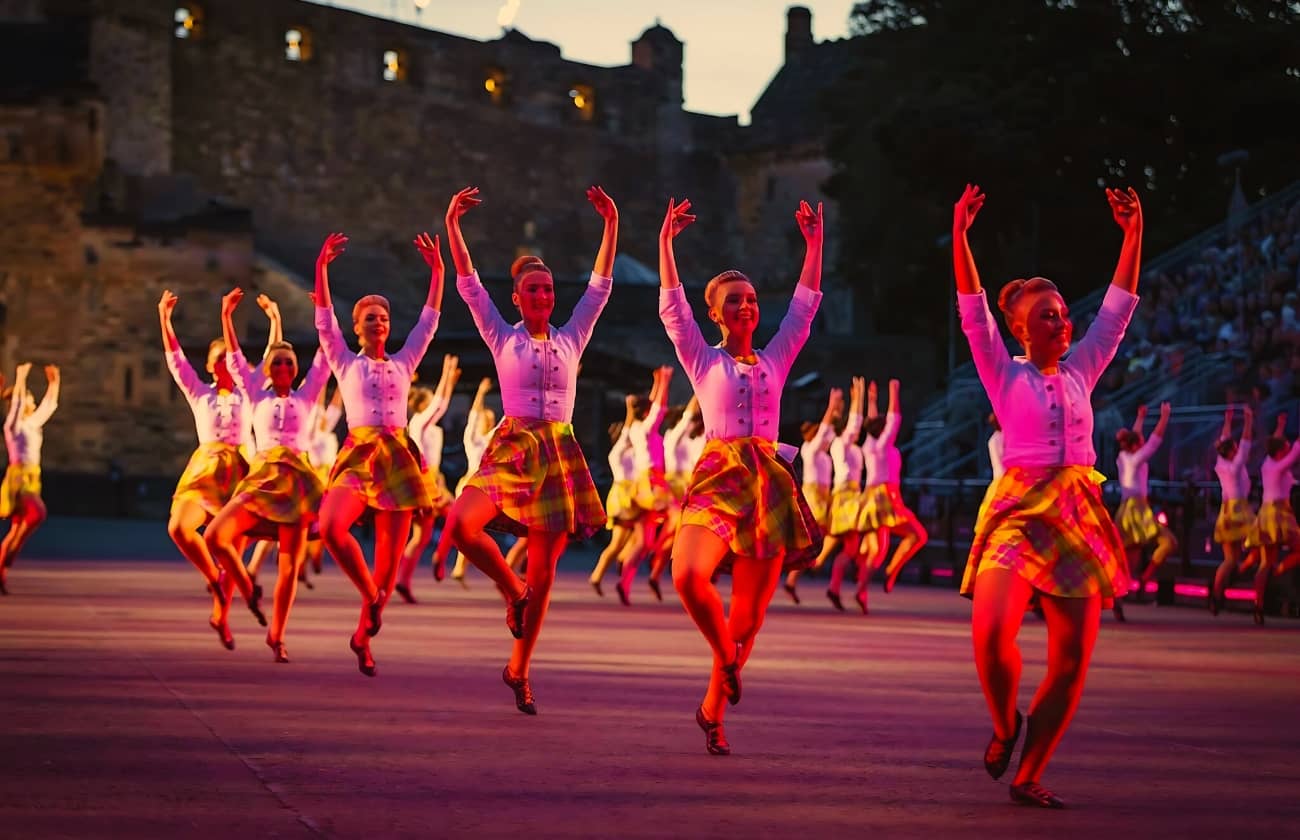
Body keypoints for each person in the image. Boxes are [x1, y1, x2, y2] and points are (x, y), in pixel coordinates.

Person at [953, 183, 1144, 808]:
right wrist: (960, 237)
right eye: (1046, 314)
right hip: (1017, 507)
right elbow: (972, 310)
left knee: (1070, 659)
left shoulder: (1084, 365)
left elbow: (1117, 310)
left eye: (1062, 311)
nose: (1061, 319)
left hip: (1077, 512)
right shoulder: (1002, 371)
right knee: (990, 632)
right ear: (1018, 329)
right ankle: (1006, 723)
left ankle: (1030, 770)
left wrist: (1132, 234)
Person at [659, 195, 824, 755]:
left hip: (770, 483)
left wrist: (813, 245)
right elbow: (673, 312)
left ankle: (712, 712)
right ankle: (727, 661)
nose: (746, 307)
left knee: (748, 619)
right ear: (716, 313)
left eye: (752, 300)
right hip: (719, 474)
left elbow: (803, 309)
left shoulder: (776, 357)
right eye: (734, 301)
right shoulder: (704, 360)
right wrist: (665, 244)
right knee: (687, 575)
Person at [442, 185, 617, 714]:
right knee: (459, 526)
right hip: (514, 443)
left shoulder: (572, 338)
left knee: (546, 575)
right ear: (517, 298)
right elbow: (469, 285)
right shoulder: (502, 336)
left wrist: (611, 223)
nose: (542, 296)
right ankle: (510, 588)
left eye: (547, 290)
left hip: (559, 454)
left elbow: (600, 287)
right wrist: (453, 225)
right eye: (532, 290)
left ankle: (519, 668)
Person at [313, 229, 444, 676]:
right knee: (331, 526)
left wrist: (438, 271)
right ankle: (368, 594)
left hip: (399, 457)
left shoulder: (405, 361)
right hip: (359, 450)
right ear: (357, 326)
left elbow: (429, 322)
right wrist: (323, 267)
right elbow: (324, 321)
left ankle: (363, 638)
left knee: (389, 568)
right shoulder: (345, 361)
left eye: (383, 317)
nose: (379, 322)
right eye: (370, 318)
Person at [204, 288, 330, 662]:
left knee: (289, 565)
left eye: (290, 364)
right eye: (278, 364)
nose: (285, 369)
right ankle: (244, 585)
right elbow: (238, 361)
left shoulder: (307, 396)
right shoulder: (256, 395)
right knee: (216, 535)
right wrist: (227, 317)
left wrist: (321, 313)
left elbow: (327, 355)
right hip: (261, 477)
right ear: (269, 369)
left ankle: (277, 635)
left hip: (296, 481)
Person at [158, 290, 274, 647]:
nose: (226, 359)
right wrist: (164, 319)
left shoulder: (249, 392)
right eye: (219, 356)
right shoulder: (201, 394)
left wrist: (274, 321)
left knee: (233, 548)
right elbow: (176, 363)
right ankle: (213, 575)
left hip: (240, 470)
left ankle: (220, 617)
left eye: (230, 355)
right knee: (179, 526)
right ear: (210, 365)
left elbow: (271, 360)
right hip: (207, 467)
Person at [394, 354, 460, 603]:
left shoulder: (430, 427)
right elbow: (440, 405)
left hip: (432, 480)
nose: (435, 405)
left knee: (421, 536)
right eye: (430, 401)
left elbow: (442, 403)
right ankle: (440, 558)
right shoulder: (420, 422)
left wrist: (450, 382)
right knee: (456, 517)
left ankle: (403, 581)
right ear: (422, 405)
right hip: (423, 482)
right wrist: (446, 372)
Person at [856, 379, 929, 602]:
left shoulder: (870, 443)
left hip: (870, 496)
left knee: (877, 550)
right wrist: (894, 392)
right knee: (917, 535)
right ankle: (891, 571)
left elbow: (872, 423)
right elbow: (894, 419)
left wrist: (871, 399)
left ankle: (863, 589)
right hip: (884, 496)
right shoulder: (883, 444)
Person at [616, 366, 675, 605]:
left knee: (643, 542)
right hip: (652, 483)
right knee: (677, 514)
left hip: (642, 484)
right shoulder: (649, 430)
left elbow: (652, 405)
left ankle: (625, 582)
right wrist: (666, 382)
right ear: (646, 414)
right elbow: (659, 408)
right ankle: (660, 552)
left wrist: (657, 381)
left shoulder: (638, 429)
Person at [0, 364, 58, 589]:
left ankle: (1, 573)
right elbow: (15, 407)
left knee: (15, 530)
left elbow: (49, 407)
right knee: (37, 513)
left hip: (32, 479)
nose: (33, 403)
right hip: (19, 480)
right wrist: (20, 378)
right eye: (29, 399)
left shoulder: (32, 424)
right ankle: (7, 559)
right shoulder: (12, 426)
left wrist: (54, 383)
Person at [1114, 402, 1175, 610]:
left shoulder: (1124, 457)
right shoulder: (1136, 458)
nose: (1143, 441)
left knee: (1130, 558)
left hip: (1126, 508)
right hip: (1136, 509)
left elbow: (1136, 438)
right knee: (1168, 542)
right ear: (1134, 446)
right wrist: (1164, 417)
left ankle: (1121, 596)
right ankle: (1143, 580)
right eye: (1139, 441)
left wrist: (1140, 418)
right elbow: (1154, 443)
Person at [435, 376, 495, 586]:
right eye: (487, 419)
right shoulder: (474, 438)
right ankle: (450, 563)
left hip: (485, 488)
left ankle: (459, 567)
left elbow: (507, 423)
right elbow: (473, 415)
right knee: (468, 530)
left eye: (488, 419)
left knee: (473, 531)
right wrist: (481, 392)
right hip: (471, 484)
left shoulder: (492, 440)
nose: (487, 421)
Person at [782, 388, 841, 603]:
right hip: (814, 494)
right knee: (815, 535)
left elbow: (830, 431)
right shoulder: (810, 449)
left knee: (823, 535)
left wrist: (836, 413)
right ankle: (798, 571)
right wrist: (831, 406)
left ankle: (796, 576)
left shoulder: (821, 452)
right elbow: (825, 429)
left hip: (823, 495)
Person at [1244, 413, 1300, 625]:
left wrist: (1280, 425)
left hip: (1267, 513)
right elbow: (1295, 452)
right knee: (1293, 551)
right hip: (1279, 513)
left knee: (1265, 562)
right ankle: (1280, 569)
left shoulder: (1269, 462)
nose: (1287, 448)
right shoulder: (1279, 465)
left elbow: (1277, 447)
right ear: (1280, 452)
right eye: (1284, 447)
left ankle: (1258, 604)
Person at [647, 396, 704, 599]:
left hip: (685, 485)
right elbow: (689, 415)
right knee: (677, 530)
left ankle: (656, 563)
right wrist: (698, 394)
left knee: (675, 532)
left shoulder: (688, 438)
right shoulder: (677, 435)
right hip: (678, 486)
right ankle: (655, 556)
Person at [823, 377, 865, 611]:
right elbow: (856, 421)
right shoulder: (843, 443)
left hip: (849, 494)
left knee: (851, 548)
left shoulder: (847, 446)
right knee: (851, 548)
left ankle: (837, 586)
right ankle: (835, 585)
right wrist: (858, 396)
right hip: (846, 495)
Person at [1209, 406, 1255, 615]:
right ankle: (1241, 571)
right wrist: (1248, 421)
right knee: (1260, 542)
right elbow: (1245, 444)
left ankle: (1216, 595)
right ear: (1231, 452)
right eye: (1233, 448)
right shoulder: (1235, 465)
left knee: (1229, 559)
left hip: (1226, 511)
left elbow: (1225, 441)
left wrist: (1227, 422)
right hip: (1238, 510)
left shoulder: (1221, 463)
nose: (1237, 448)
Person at [589, 398, 637, 596]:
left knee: (635, 538)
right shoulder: (620, 451)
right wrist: (630, 409)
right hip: (624, 497)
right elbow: (628, 427)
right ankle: (602, 573)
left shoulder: (627, 453)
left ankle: (613, 567)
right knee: (621, 542)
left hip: (627, 496)